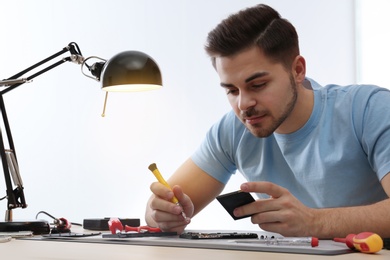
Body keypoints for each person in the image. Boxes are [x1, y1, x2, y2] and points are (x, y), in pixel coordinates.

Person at [145, 4, 390, 239]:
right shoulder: (233, 130)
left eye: (258, 85)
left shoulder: (370, 110)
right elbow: (162, 209)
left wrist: (313, 222)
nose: (243, 104)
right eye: (231, 90)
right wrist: (162, 215)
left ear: (297, 70)